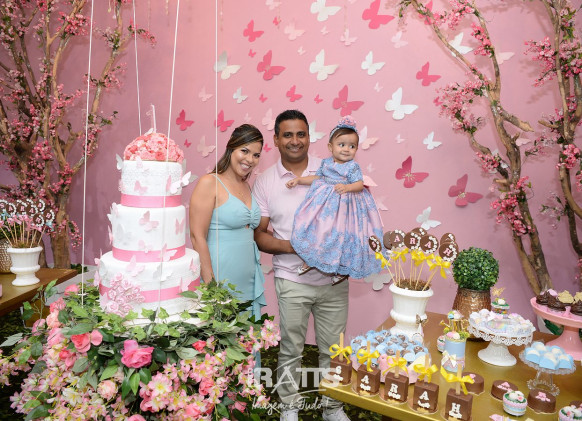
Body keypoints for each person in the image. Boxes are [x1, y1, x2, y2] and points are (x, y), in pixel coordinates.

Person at [253, 110, 351, 421]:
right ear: (276, 140)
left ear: (309, 137)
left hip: (334, 281)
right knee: (291, 348)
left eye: (301, 134)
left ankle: (332, 407)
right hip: (291, 278)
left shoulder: (332, 171)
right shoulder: (265, 182)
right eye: (288, 135)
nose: (295, 141)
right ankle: (290, 407)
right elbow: (260, 234)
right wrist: (297, 246)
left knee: (333, 350)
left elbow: (353, 215)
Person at [286, 115, 383, 284]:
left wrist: (347, 187)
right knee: (318, 230)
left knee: (343, 237)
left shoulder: (352, 167)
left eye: (352, 146)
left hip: (347, 209)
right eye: (341, 144)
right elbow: (318, 178)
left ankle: (343, 268)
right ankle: (311, 259)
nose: (346, 149)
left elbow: (359, 184)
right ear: (330, 147)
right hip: (325, 207)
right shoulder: (326, 163)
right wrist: (300, 180)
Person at [189, 124, 266, 320]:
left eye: (256, 155)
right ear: (231, 147)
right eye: (244, 151)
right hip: (220, 279)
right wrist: (211, 288)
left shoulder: (246, 186)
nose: (250, 159)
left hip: (248, 280)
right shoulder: (210, 182)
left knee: (247, 335)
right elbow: (197, 236)